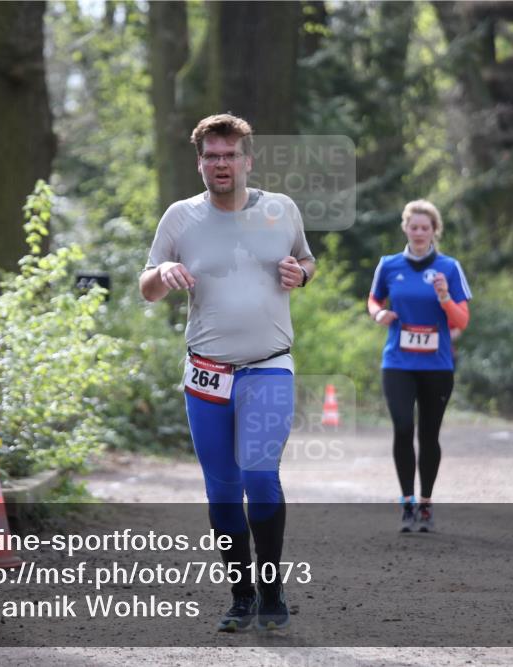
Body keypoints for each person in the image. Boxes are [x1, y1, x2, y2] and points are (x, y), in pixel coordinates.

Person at [140, 114, 316, 631]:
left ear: (247, 160)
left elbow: (307, 259)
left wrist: (300, 274)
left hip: (269, 365)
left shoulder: (280, 210)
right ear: (200, 163)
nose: (222, 164)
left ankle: (272, 590)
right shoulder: (180, 218)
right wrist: (162, 275)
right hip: (207, 372)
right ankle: (240, 596)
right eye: (212, 156)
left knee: (260, 477)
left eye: (230, 155)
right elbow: (147, 285)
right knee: (221, 488)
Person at [367, 200, 471, 532]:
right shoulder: (389, 264)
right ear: (406, 229)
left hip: (437, 365)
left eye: (426, 228)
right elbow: (373, 299)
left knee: (428, 435)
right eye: (414, 227)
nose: (420, 233)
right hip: (398, 361)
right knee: (401, 427)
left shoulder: (450, 268)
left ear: (434, 231)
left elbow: (462, 320)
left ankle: (426, 503)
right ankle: (407, 501)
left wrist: (444, 297)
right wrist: (378, 314)